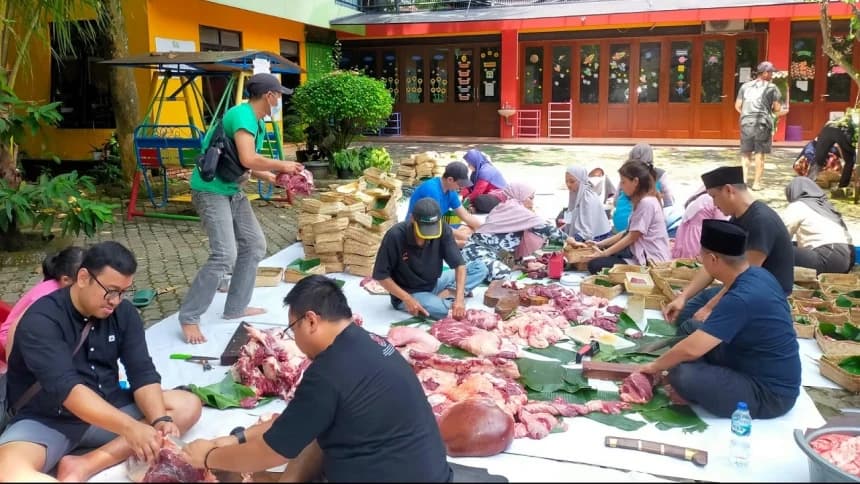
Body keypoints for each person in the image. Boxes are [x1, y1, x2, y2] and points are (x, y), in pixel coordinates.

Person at [182, 276, 453, 482]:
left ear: (311, 320)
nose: (295, 340)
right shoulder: (368, 341)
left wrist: (208, 456)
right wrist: (239, 440)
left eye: (293, 328)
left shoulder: (328, 371)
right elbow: (301, 427)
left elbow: (272, 451)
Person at [0, 241, 202, 482]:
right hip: (47, 418)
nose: (115, 301)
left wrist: (159, 420)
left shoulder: (123, 313)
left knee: (187, 404)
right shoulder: (42, 319)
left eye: (122, 292)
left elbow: (142, 372)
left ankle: (86, 464)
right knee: (8, 471)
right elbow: (68, 390)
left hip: (109, 409)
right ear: (83, 278)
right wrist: (130, 428)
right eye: (111, 290)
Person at [180, 73, 304, 344]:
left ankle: (235, 307)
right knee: (224, 254)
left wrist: (273, 178)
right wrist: (283, 165)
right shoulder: (243, 116)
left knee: (255, 243)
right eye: (279, 95)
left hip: (231, 189)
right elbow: (249, 157)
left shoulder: (255, 122)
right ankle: (189, 317)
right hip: (210, 190)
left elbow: (243, 162)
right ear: (269, 96)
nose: (280, 100)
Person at [640, 220, 800, 419]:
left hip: (768, 392)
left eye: (702, 257)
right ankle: (707, 377)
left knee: (682, 375)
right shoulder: (759, 274)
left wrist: (653, 367)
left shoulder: (741, 298)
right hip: (744, 356)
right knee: (690, 327)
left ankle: (702, 382)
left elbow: (692, 349)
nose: (701, 262)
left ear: (713, 259)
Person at [663, 166, 794, 336]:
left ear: (728, 190)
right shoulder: (737, 218)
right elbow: (713, 264)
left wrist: (710, 308)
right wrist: (683, 297)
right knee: (684, 314)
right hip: (737, 288)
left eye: (714, 197)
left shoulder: (762, 221)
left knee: (691, 327)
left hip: (761, 297)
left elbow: (745, 277)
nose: (714, 204)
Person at [374, 198, 488, 320]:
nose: (428, 237)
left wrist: (459, 299)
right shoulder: (395, 235)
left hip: (434, 283)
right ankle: (443, 298)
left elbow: (459, 265)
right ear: (412, 219)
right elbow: (381, 276)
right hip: (410, 293)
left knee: (479, 268)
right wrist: (407, 299)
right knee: (451, 312)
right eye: (424, 230)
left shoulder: (442, 229)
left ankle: (448, 293)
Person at [463, 183, 582, 281]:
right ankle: (469, 274)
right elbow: (547, 228)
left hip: (493, 252)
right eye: (530, 198)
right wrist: (571, 242)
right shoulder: (516, 209)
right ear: (520, 196)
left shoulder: (505, 206)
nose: (532, 203)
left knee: (513, 268)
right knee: (503, 275)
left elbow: (502, 246)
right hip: (477, 252)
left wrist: (521, 265)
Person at [1, 246, 85, 368]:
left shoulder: (60, 285)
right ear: (66, 280)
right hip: (12, 341)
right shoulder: (47, 297)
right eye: (84, 281)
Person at [586, 161, 670, 274]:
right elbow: (626, 232)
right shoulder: (643, 201)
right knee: (599, 259)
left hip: (650, 260)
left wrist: (605, 253)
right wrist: (600, 244)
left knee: (595, 264)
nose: (621, 186)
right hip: (637, 254)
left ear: (635, 181)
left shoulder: (647, 203)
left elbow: (631, 237)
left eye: (623, 182)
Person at [783, 177, 854, 274]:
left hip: (828, 255)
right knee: (792, 245)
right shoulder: (827, 206)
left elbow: (781, 236)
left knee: (774, 250)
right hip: (849, 258)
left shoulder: (799, 205)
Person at [406, 161, 482, 247]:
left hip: (438, 224)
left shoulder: (451, 190)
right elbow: (436, 223)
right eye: (460, 184)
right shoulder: (432, 190)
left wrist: (486, 230)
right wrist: (468, 239)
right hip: (422, 227)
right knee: (464, 242)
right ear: (450, 180)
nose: (462, 187)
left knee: (471, 229)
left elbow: (465, 215)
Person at [735, 61, 783, 191]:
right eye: (771, 72)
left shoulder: (745, 86)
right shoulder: (772, 88)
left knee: (746, 153)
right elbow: (777, 108)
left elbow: (738, 106)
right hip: (762, 123)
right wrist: (773, 113)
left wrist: (746, 114)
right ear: (765, 73)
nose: (773, 74)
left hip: (746, 123)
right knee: (759, 154)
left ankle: (743, 181)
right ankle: (756, 183)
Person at [671, 186, 729, 259]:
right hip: (698, 238)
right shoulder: (716, 200)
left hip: (685, 236)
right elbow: (720, 226)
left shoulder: (701, 198)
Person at [560, 166, 612, 242]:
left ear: (581, 180)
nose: (568, 185)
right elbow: (570, 212)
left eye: (572, 181)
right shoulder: (574, 193)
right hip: (583, 236)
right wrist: (562, 229)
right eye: (566, 181)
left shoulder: (588, 198)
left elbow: (587, 231)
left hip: (598, 239)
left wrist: (571, 239)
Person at [806, 115, 857, 189]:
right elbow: (840, 145)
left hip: (829, 128)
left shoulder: (846, 119)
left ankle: (808, 183)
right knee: (850, 161)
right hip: (843, 132)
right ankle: (842, 187)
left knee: (819, 158)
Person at [462, 148, 507, 214]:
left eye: (469, 164)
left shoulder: (486, 171)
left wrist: (464, 202)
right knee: (466, 193)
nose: (468, 166)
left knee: (480, 200)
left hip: (499, 197)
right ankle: (473, 207)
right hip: (487, 194)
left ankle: (474, 207)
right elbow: (470, 186)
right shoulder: (476, 172)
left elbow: (477, 192)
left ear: (475, 162)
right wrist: (464, 194)